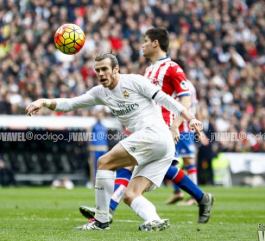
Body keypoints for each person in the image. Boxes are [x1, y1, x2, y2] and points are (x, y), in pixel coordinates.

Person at [26, 52, 203, 231]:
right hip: (158, 144)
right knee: (131, 194)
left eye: (104, 69)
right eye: (97, 70)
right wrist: (45, 101)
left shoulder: (134, 81)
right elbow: (71, 104)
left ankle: (101, 220)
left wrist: (190, 118)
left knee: (104, 162)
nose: (101, 74)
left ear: (116, 69)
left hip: (154, 134)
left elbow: (165, 99)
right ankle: (155, 220)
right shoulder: (100, 93)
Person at [79, 28, 214, 223]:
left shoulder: (173, 68)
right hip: (146, 127)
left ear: (155, 43)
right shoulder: (148, 70)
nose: (141, 44)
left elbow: (186, 101)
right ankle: (202, 197)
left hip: (163, 128)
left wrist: (175, 125)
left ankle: (107, 210)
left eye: (145, 41)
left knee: (128, 164)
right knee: (156, 167)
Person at [88, 110, 109, 186]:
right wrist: (90, 146)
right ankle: (93, 181)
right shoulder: (93, 126)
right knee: (95, 165)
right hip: (95, 148)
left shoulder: (104, 127)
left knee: (104, 165)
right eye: (99, 115)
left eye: (101, 115)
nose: (100, 117)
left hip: (103, 148)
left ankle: (103, 181)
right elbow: (89, 137)